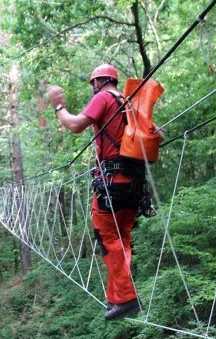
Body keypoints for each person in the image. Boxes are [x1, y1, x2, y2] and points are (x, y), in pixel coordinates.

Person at [47, 64, 146, 320]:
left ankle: (126, 298)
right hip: (134, 183)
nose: (92, 89)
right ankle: (116, 298)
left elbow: (75, 124)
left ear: (100, 82)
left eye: (93, 84)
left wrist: (59, 106)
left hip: (112, 183)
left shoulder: (104, 97)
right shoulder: (130, 102)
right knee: (121, 239)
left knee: (107, 238)